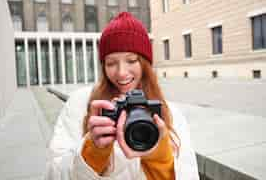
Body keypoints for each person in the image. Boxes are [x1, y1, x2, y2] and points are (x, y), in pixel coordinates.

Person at [46, 12, 199, 180]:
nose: (121, 73)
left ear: (145, 64)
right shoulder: (80, 103)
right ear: (103, 66)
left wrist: (160, 158)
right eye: (111, 63)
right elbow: (54, 173)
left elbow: (189, 175)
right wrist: (92, 153)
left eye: (131, 60)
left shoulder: (171, 113)